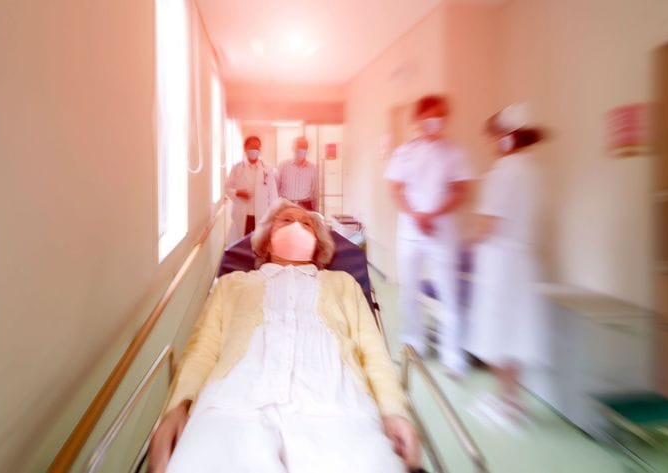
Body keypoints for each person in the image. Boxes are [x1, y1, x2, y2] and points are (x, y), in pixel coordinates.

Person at [148, 199, 420, 473]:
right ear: (266, 240)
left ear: (318, 244)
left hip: (339, 405)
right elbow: (202, 350)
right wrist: (176, 408)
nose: (297, 226)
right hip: (232, 406)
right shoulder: (232, 285)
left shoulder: (342, 283)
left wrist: (394, 411)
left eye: (307, 224)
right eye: (287, 220)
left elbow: (373, 352)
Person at [466, 103, 545, 423]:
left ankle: (505, 405)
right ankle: (513, 402)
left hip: (499, 263)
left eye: (493, 136)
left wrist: (469, 244)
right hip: (522, 260)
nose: (490, 142)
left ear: (505, 137)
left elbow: (489, 223)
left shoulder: (503, 172)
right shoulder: (532, 169)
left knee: (496, 333)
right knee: (515, 332)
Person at [384, 95, 474, 376]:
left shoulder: (454, 152)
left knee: (448, 292)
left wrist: (433, 214)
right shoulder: (404, 152)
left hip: (442, 231)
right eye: (430, 116)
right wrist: (415, 215)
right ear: (418, 119)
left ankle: (452, 355)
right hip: (410, 231)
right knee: (408, 290)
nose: (436, 121)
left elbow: (462, 190)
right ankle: (413, 344)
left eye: (441, 116)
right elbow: (396, 189)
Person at [225, 135, 278, 243]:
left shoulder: (267, 169)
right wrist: (237, 193)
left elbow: (273, 194)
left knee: (258, 244)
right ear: (245, 148)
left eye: (257, 148)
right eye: (252, 147)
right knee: (241, 243)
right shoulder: (237, 168)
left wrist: (273, 215)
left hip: (261, 214)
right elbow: (227, 187)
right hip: (242, 213)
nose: (255, 150)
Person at [277, 136, 318, 210]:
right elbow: (276, 187)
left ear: (307, 149)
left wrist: (315, 209)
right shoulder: (283, 165)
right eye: (299, 146)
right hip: (286, 205)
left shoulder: (312, 168)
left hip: (305, 205)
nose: (301, 149)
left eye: (304, 147)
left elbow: (315, 191)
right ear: (293, 148)